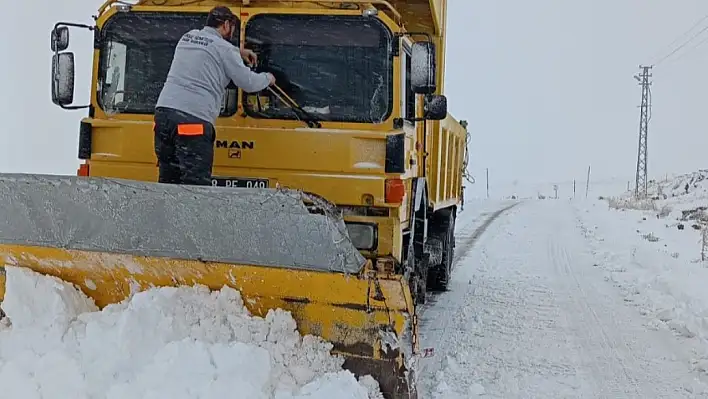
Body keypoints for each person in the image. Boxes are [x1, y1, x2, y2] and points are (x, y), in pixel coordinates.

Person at [153, 6, 275, 185]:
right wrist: (267, 78)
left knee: (169, 179)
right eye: (232, 28)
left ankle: (167, 212)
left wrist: (238, 52)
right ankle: (191, 213)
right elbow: (248, 83)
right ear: (226, 24)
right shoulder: (225, 50)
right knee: (195, 184)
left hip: (163, 115)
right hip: (192, 120)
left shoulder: (187, 37)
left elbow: (208, 47)